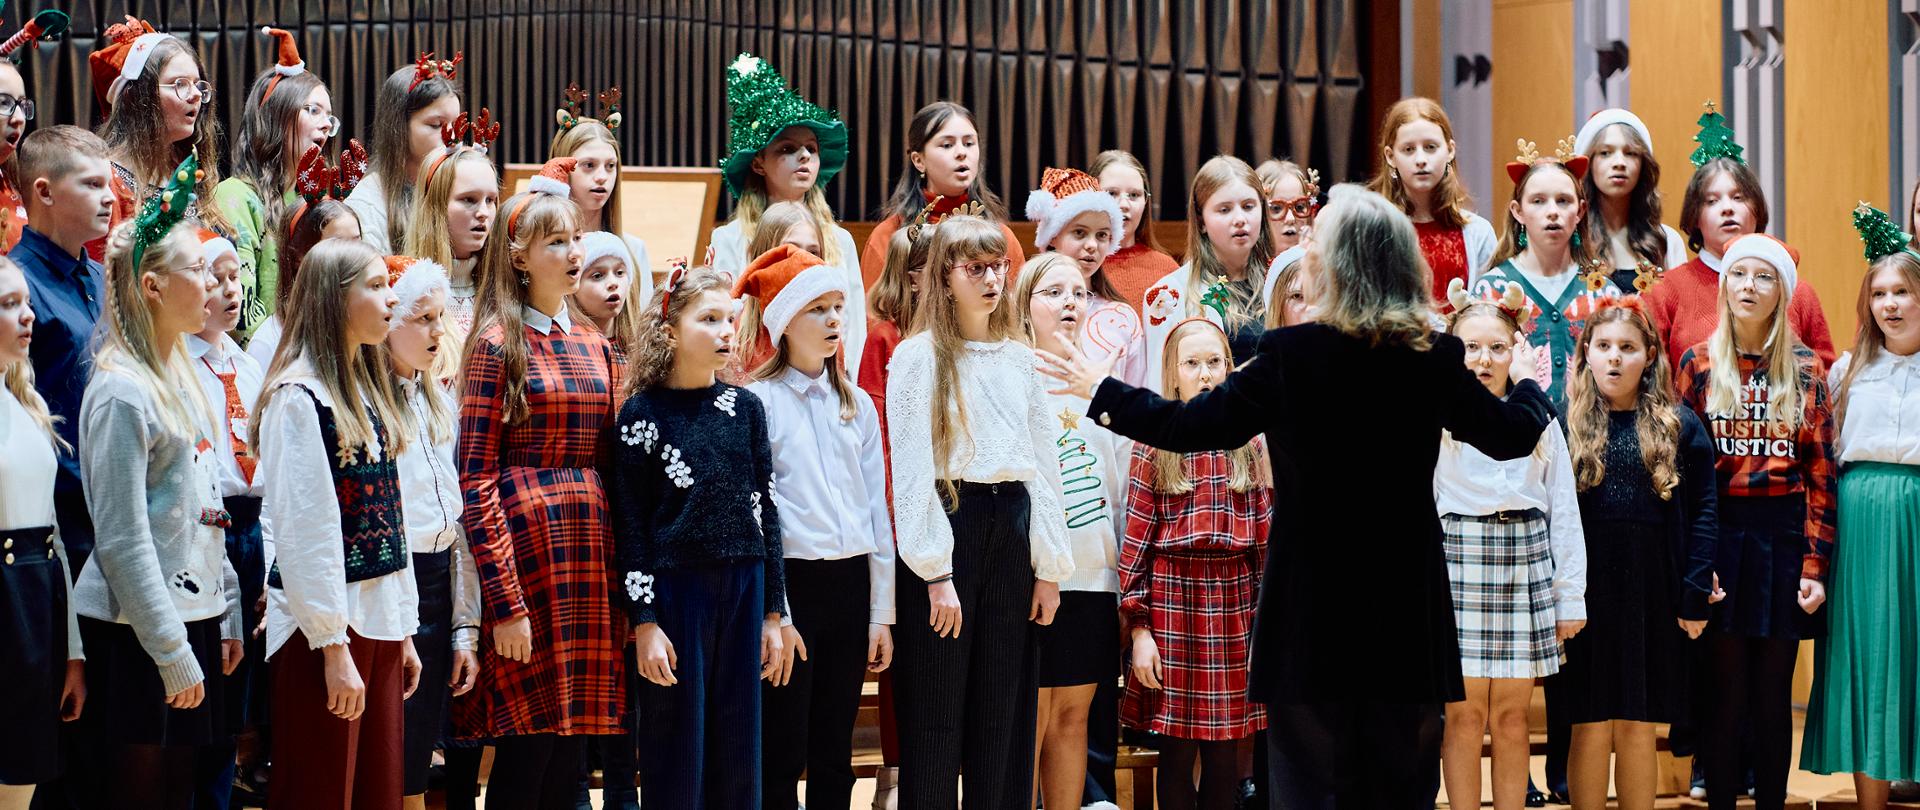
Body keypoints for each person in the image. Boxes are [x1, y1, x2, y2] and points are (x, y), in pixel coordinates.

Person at [1037, 183, 1553, 806]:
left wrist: (1103, 391)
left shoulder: (1288, 354)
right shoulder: (1431, 355)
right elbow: (1512, 436)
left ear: (1337, 262)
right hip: (1404, 601)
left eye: (1319, 237)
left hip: (1311, 603)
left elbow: (1186, 427)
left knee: (1309, 783)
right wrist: (1526, 382)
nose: (1306, 246)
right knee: (1398, 780)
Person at [72, 159, 242, 810]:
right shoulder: (121, 389)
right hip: (138, 629)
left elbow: (206, 506)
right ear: (150, 285)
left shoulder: (182, 374)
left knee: (180, 792)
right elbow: (121, 539)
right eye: (195, 271)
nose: (211, 282)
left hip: (189, 617)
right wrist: (169, 647)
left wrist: (223, 604)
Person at [886, 214, 1073, 806]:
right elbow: (912, 472)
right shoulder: (918, 358)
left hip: (1012, 527)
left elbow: (1044, 466)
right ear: (943, 278)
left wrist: (1049, 566)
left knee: (1006, 712)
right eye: (976, 268)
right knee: (937, 715)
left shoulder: (1020, 358)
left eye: (999, 267)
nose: (993, 279)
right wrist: (936, 573)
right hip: (950, 524)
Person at [456, 175, 626, 809]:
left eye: (575, 238)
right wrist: (506, 603)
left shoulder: (595, 345)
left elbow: (612, 467)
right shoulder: (496, 345)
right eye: (556, 241)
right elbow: (475, 478)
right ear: (520, 255)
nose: (572, 252)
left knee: (567, 758)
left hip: (587, 561)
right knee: (525, 755)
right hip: (529, 567)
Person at [605, 264, 785, 807]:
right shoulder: (642, 414)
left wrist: (775, 614)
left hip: (745, 586)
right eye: (709, 319)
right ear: (669, 332)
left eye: (730, 318)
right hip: (676, 593)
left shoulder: (746, 409)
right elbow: (631, 524)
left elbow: (767, 511)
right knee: (676, 746)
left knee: (739, 747)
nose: (727, 330)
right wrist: (645, 622)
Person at [255, 237, 421, 809]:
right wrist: (331, 644)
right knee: (321, 790)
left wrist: (401, 627)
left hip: (374, 623)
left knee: (377, 789)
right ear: (333, 299)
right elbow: (308, 534)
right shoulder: (298, 398)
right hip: (323, 633)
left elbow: (389, 517)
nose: (390, 299)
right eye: (375, 286)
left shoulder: (363, 391)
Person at [1674, 233, 1837, 810]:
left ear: (1782, 293)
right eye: (1738, 274)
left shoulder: (1804, 368)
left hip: (1784, 537)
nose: (1748, 285)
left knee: (1771, 696)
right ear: (1724, 286)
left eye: (1763, 277)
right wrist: (1697, 565)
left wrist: (1814, 565)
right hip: (1719, 533)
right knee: (1724, 693)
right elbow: (1686, 478)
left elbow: (1821, 474)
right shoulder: (1697, 362)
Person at [732, 245, 896, 810]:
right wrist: (775, 613)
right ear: (782, 322)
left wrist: (880, 613)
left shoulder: (857, 405)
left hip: (850, 587)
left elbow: (876, 511)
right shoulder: (758, 403)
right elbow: (758, 517)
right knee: (782, 747)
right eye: (816, 309)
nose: (832, 321)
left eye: (837, 307)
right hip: (792, 588)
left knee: (835, 748)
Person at [1556, 298, 1717, 810]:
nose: (1614, 359)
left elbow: (1705, 513)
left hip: (1652, 588)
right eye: (1603, 347)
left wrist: (1693, 593)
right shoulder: (1563, 427)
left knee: (1638, 724)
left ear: (1649, 355)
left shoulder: (1680, 426)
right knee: (1588, 721)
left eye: (1627, 348)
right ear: (1586, 355)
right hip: (1586, 595)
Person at [1433, 287, 1588, 810]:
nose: (1483, 360)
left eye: (1497, 347)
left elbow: (1561, 509)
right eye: (1470, 348)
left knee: (1514, 715)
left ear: (1518, 352)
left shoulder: (1537, 416)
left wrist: (1570, 597)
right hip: (1460, 557)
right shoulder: (1440, 420)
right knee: (1464, 714)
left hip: (1524, 558)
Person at [1120, 317, 1272, 810]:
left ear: (1230, 369)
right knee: (1177, 749)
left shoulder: (1251, 446)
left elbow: (1267, 543)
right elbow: (1136, 545)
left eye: (1214, 362)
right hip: (1172, 604)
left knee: (1226, 749)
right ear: (1173, 373)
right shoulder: (1153, 442)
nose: (1204, 373)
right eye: (1192, 363)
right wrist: (1140, 630)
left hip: (1235, 604)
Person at [1799, 206, 1920, 809]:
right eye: (1880, 293)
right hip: (1861, 520)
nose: (1890, 304)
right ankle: (1869, 800)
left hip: (1916, 517)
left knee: (1914, 652)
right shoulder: (1849, 371)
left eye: (1902, 292)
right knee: (1868, 652)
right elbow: (1825, 457)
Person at [1015, 254, 1130, 810]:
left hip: (1096, 573)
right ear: (1024, 303)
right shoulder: (1012, 375)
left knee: (1074, 716)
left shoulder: (1102, 384)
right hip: (1037, 577)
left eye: (1079, 293)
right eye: (1053, 292)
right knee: (1032, 716)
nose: (1069, 303)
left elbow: (1120, 482)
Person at [381, 256, 482, 810]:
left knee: (421, 745)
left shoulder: (438, 401)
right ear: (389, 320)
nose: (437, 332)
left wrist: (465, 628)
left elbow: (459, 523)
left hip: (439, 579)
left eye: (440, 318)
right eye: (423, 318)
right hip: (394, 577)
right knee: (388, 742)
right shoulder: (368, 403)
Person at [1643, 104, 1834, 372]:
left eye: (1738, 197)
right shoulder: (1665, 291)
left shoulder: (1798, 293)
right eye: (1711, 201)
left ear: (1757, 209)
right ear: (1695, 217)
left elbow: (1823, 379)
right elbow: (1652, 379)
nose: (1727, 208)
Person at [707, 56, 865, 375]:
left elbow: (854, 325)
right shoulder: (731, 238)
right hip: (753, 376)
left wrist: (846, 385)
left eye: (811, 148)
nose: (804, 155)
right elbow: (723, 316)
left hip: (824, 378)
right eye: (787, 149)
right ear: (758, 162)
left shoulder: (839, 240)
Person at [183, 231, 265, 810]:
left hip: (255, 524)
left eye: (237, 276)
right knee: (209, 681)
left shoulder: (248, 361)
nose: (231, 290)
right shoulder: (178, 365)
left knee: (243, 688)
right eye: (216, 278)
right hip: (206, 525)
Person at [0, 255, 86, 809]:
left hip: (36, 606)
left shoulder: (24, 406)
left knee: (21, 786)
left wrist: (73, 650)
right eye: (10, 305)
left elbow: (52, 531)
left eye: (27, 302)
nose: (28, 316)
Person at [9, 126, 114, 572]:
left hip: (117, 508)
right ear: (45, 192)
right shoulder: (15, 286)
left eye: (109, 183)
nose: (109, 197)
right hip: (58, 524)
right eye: (92, 185)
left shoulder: (102, 277)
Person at [1469, 138, 1621, 406]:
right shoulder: (1492, 290)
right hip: (1519, 439)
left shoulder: (1603, 292)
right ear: (1518, 212)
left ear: (1580, 211)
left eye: (1563, 201)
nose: (1552, 212)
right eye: (1538, 201)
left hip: (1590, 440)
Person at [211, 27, 339, 340]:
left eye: (329, 116)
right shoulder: (235, 198)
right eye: (312, 110)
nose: (325, 123)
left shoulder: (314, 199)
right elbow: (240, 320)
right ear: (276, 117)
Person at [89, 17, 229, 245]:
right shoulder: (107, 182)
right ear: (136, 98)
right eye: (180, 84)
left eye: (197, 84)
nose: (195, 95)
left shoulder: (189, 171)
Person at [858, 102, 1026, 289]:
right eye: (947, 145)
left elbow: (1018, 310)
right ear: (918, 160)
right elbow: (876, 315)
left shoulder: (1001, 235)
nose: (962, 152)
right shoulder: (888, 235)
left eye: (969, 143)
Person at [1141, 156, 1276, 384]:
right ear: (1201, 221)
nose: (1240, 219)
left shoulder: (1280, 281)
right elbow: (1160, 385)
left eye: (1248, 206)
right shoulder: (1169, 295)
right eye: (1224, 210)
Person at [1365, 97, 1497, 301]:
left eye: (1430, 147)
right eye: (1408, 149)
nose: (1421, 160)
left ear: (1450, 150)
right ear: (1391, 157)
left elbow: (1487, 308)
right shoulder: (1372, 231)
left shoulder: (1479, 233)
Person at [1026, 167, 1146, 387]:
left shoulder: (1122, 318)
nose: (1092, 245)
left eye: (1102, 235)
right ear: (1053, 236)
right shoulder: (1026, 305)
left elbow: (1137, 391)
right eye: (1079, 233)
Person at [549, 83, 655, 310]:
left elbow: (645, 328)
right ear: (563, 167)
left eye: (610, 166)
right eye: (588, 165)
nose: (601, 177)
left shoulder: (634, 250)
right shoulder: (544, 248)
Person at [347, 55, 462, 255]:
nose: (451, 138)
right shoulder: (365, 204)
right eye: (436, 125)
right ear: (398, 127)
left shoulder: (459, 188)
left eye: (457, 125)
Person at [1573, 109, 1688, 293]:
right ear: (1589, 163)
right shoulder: (1572, 239)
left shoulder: (1666, 242)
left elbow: (1680, 315)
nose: (1619, 162)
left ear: (1643, 165)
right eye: (1605, 153)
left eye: (1631, 153)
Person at [248, 194, 365, 370]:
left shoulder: (367, 327)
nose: (354, 259)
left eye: (357, 244)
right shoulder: (270, 342)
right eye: (337, 247)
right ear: (298, 258)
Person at [1090, 150, 1180, 318]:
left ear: (1146, 202)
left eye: (1134, 195)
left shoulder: (1167, 270)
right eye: (1111, 193)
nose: (1124, 204)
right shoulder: (1077, 266)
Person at [1255, 159, 1319, 252]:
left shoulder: (1321, 264)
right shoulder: (1240, 265)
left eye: (1299, 207)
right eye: (1276, 208)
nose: (1290, 219)